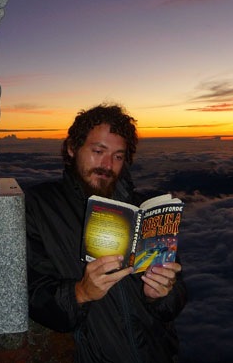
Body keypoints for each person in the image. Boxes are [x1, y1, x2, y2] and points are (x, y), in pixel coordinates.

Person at [25, 104, 187, 363]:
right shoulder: (39, 206)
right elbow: (33, 293)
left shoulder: (144, 210)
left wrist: (162, 294)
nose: (107, 165)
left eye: (118, 156)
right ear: (71, 148)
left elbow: (176, 298)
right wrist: (80, 293)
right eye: (98, 151)